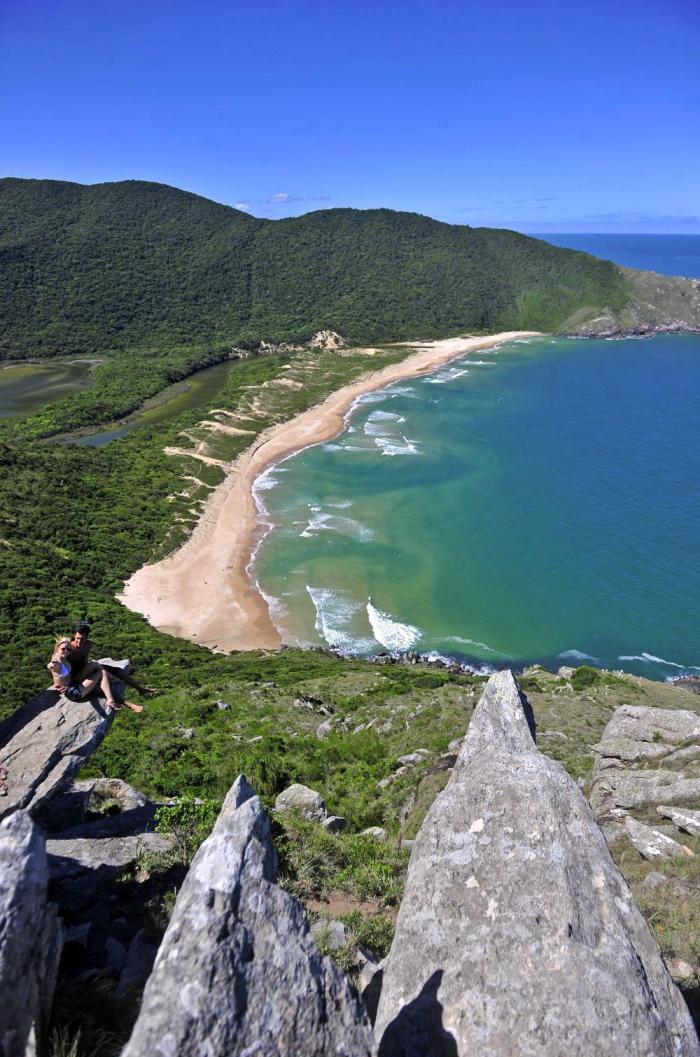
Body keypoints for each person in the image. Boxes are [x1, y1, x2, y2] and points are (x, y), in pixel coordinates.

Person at [70, 622, 155, 700]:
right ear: (74, 636)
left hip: (85, 670)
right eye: (77, 638)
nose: (79, 641)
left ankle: (140, 689)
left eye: (82, 639)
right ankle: (113, 686)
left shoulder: (88, 644)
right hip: (76, 676)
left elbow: (84, 660)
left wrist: (90, 668)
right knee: (98, 668)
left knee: (118, 671)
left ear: (87, 637)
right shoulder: (69, 647)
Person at [48, 637, 124, 711]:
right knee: (101, 673)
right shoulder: (56, 661)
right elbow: (52, 666)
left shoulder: (61, 655)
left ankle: (112, 679)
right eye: (63, 649)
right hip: (73, 692)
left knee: (93, 663)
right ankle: (110, 700)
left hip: (73, 682)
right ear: (58, 647)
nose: (66, 651)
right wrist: (51, 666)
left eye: (68, 649)